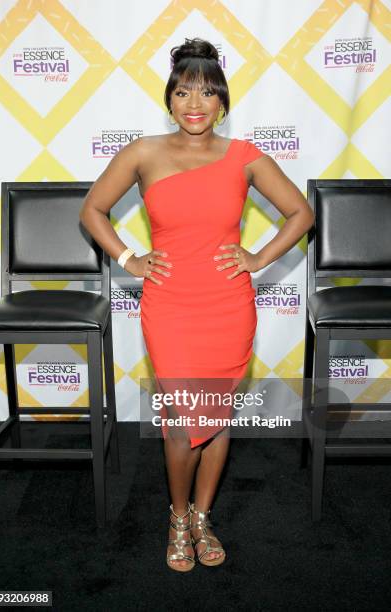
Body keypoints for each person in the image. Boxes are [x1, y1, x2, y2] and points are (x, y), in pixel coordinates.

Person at [79, 37, 314, 572]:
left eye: (207, 94)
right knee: (185, 421)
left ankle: (204, 517)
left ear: (222, 103)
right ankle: (178, 517)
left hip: (228, 305)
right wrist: (128, 258)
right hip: (171, 305)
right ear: (170, 98)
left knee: (217, 415)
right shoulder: (143, 153)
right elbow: (92, 209)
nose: (194, 104)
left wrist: (257, 258)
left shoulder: (245, 156)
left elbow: (300, 214)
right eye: (184, 92)